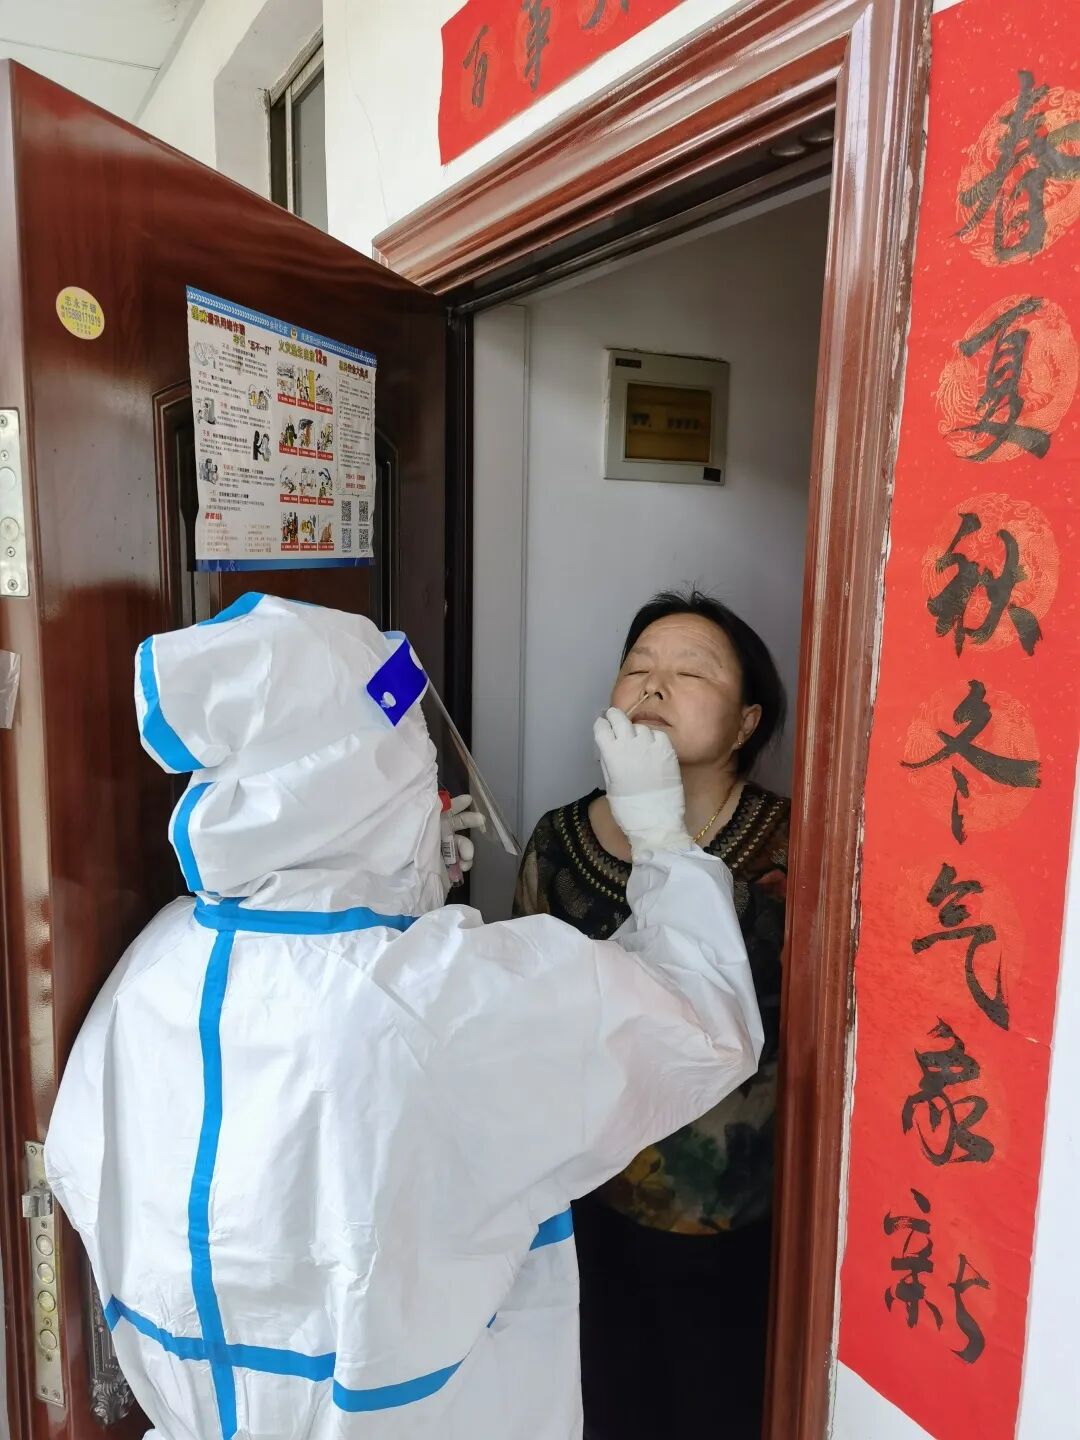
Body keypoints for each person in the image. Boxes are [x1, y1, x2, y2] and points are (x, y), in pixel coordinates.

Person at [45, 592, 763, 1440]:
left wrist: (403, 883)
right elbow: (704, 1021)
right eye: (416, 765)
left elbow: (89, 1171)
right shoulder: (446, 995)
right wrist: (663, 838)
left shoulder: (153, 966)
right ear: (368, 784)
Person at [514, 589, 790, 1440]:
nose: (655, 686)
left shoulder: (796, 847)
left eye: (691, 672)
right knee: (604, 1401)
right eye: (637, 668)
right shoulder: (559, 842)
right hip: (587, 1202)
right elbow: (527, 1026)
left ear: (746, 724)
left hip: (738, 1211)